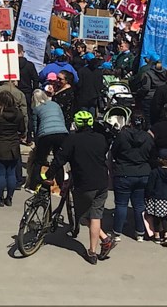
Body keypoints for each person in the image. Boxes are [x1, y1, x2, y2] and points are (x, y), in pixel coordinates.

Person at [44, 111, 117, 265]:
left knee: (84, 216)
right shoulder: (100, 139)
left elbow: (59, 160)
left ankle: (102, 242)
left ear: (76, 124)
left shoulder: (73, 140)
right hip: (102, 182)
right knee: (96, 216)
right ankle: (94, 249)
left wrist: (48, 176)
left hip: (84, 183)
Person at [110, 113, 154, 241]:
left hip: (124, 172)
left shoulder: (122, 135)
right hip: (143, 173)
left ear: (131, 122)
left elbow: (114, 151)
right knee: (139, 205)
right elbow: (152, 153)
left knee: (121, 204)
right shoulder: (148, 137)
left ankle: (117, 232)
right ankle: (140, 232)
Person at [0, 90, 25, 207]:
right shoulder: (18, 114)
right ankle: (9, 198)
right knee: (11, 174)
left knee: (0, 173)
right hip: (13, 146)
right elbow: (22, 130)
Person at [25, 89, 68, 190]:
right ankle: (60, 184)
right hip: (62, 132)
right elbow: (62, 119)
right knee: (58, 160)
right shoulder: (55, 104)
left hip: (46, 134)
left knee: (39, 160)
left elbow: (35, 126)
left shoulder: (36, 109)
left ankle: (33, 185)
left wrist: (36, 141)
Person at [145, 148, 167, 247]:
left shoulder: (155, 172)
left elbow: (150, 186)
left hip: (157, 197)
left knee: (156, 217)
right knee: (165, 218)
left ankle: (157, 235)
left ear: (159, 160)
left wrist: (147, 195)